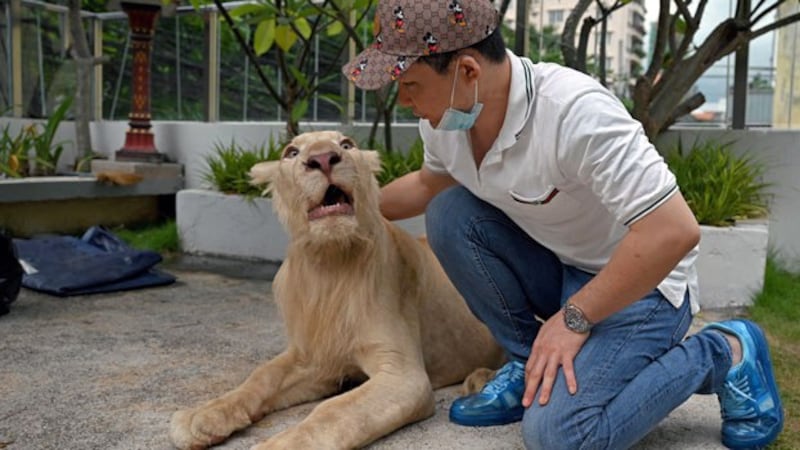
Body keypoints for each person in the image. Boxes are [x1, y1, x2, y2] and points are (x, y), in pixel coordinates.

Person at [342, 1, 784, 448]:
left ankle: (721, 351)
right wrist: (343, 208)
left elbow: (673, 231)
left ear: (468, 71)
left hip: (645, 287)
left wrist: (573, 319)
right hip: (564, 269)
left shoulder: (575, 113)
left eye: (410, 84)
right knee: (450, 212)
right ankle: (526, 362)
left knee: (561, 436)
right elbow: (427, 184)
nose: (403, 99)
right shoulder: (447, 120)